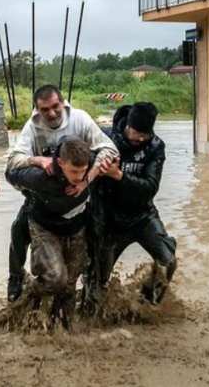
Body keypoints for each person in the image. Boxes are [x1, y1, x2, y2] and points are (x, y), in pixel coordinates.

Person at [6, 84, 118, 302]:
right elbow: (12, 165)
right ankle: (17, 278)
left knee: (98, 235)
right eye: (45, 109)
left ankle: (93, 285)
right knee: (19, 229)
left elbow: (110, 149)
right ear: (37, 110)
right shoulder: (32, 127)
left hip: (80, 199)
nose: (52, 113)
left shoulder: (80, 119)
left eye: (55, 106)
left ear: (63, 103)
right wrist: (37, 160)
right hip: (43, 192)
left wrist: (86, 178)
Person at [85, 102, 176, 313]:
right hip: (108, 221)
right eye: (136, 133)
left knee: (168, 261)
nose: (140, 139)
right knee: (96, 282)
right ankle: (91, 315)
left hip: (142, 216)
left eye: (146, 134)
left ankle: (147, 304)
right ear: (127, 125)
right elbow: (80, 171)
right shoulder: (103, 139)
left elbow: (150, 188)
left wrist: (118, 176)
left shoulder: (155, 146)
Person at [6, 137, 94, 329]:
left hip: (76, 227)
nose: (79, 177)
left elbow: (110, 153)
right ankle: (28, 292)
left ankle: (64, 328)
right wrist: (35, 162)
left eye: (83, 171)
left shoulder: (91, 167)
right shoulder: (40, 177)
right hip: (44, 226)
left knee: (70, 284)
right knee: (56, 278)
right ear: (61, 163)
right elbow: (10, 173)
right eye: (74, 171)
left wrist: (88, 179)